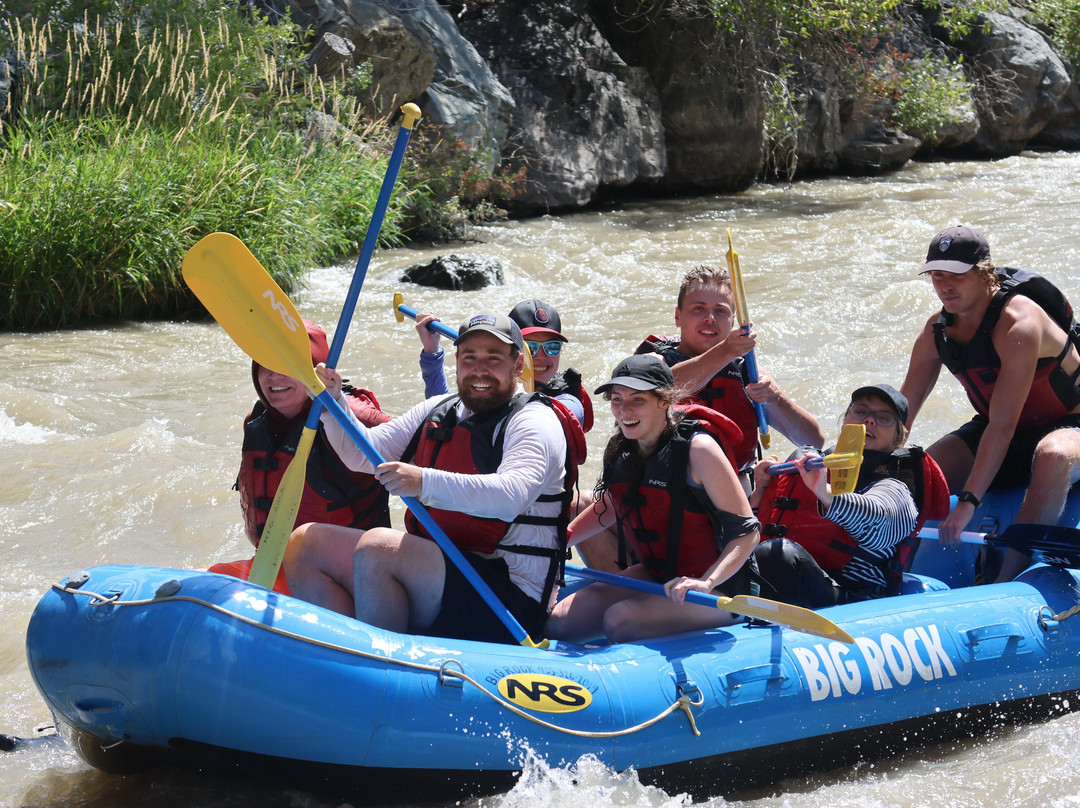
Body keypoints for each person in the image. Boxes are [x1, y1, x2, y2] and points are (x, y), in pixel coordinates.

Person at [284, 312, 576, 644]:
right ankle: (340, 654)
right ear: (457, 361)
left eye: (493, 358)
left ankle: (382, 670)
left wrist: (423, 481)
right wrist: (332, 403)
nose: (479, 369)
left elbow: (511, 496)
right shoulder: (440, 409)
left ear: (517, 364)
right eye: (470, 358)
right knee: (306, 543)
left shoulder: (535, 421)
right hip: (445, 571)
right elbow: (364, 454)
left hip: (509, 600)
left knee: (378, 547)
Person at [900, 226, 1080, 582]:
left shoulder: (1018, 324)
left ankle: (1007, 580)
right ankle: (881, 573)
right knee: (917, 473)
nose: (945, 285)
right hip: (1000, 427)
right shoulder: (936, 332)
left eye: (956, 275)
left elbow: (1003, 426)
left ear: (984, 273)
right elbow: (899, 415)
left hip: (1070, 425)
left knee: (1054, 456)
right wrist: (859, 461)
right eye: (936, 275)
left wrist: (968, 501)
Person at [546, 354, 761, 644]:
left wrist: (707, 582)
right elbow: (612, 505)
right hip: (658, 574)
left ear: (664, 401)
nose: (624, 410)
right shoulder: (623, 448)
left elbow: (748, 534)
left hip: (719, 587)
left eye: (638, 400)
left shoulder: (698, 450)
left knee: (620, 620)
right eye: (617, 399)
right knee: (559, 623)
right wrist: (560, 541)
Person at [208, 320, 391, 594]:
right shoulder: (256, 421)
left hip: (344, 576)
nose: (273, 377)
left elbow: (423, 450)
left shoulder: (355, 417)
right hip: (271, 565)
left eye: (286, 366)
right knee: (198, 584)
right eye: (265, 366)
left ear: (315, 368)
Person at [751, 384, 949, 608]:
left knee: (777, 555)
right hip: (787, 580)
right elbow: (753, 530)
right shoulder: (810, 464)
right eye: (860, 411)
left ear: (899, 439)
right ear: (844, 420)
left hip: (853, 598)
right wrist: (760, 492)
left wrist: (827, 495)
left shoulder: (896, 487)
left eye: (884, 418)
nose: (869, 421)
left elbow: (879, 524)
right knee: (762, 554)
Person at [636, 264, 824, 480]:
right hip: (662, 484)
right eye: (698, 308)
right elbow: (662, 389)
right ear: (678, 317)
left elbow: (814, 441)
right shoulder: (652, 362)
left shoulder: (748, 372)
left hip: (735, 489)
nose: (710, 318)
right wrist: (725, 351)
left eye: (721, 310)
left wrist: (774, 398)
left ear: (733, 321)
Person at [413, 298, 592, 431]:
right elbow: (443, 413)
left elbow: (542, 421)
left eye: (552, 347)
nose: (541, 356)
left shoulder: (568, 401)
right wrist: (431, 351)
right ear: (514, 355)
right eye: (531, 347)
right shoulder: (492, 391)